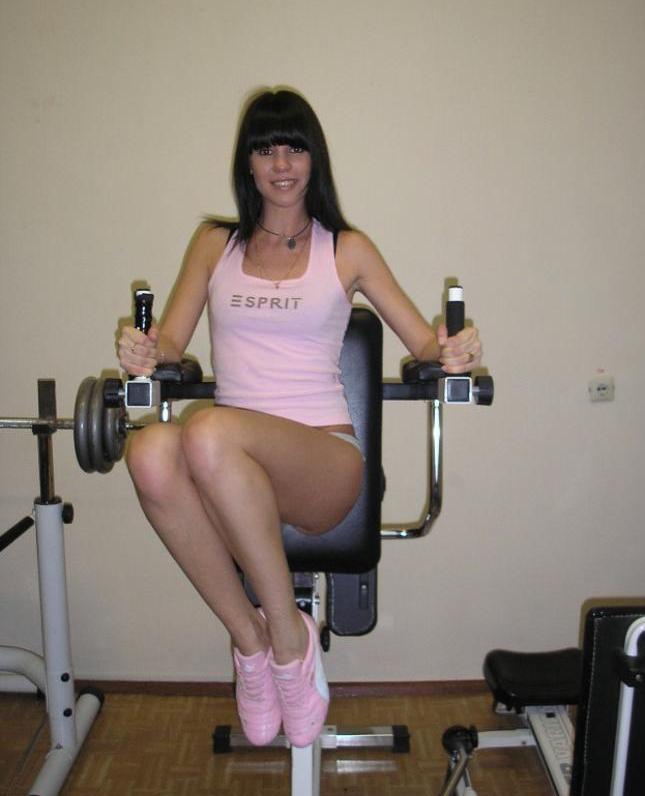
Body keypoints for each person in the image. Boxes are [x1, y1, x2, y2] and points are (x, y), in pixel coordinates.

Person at [117, 88, 482, 748]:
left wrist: (453, 348)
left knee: (208, 430)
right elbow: (169, 342)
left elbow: (424, 346)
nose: (281, 163)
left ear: (315, 159)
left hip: (323, 464)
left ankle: (290, 640)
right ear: (248, 163)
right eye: (266, 149)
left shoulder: (346, 249)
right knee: (146, 451)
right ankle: (251, 644)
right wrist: (143, 349)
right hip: (228, 466)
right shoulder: (214, 245)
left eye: (294, 148)